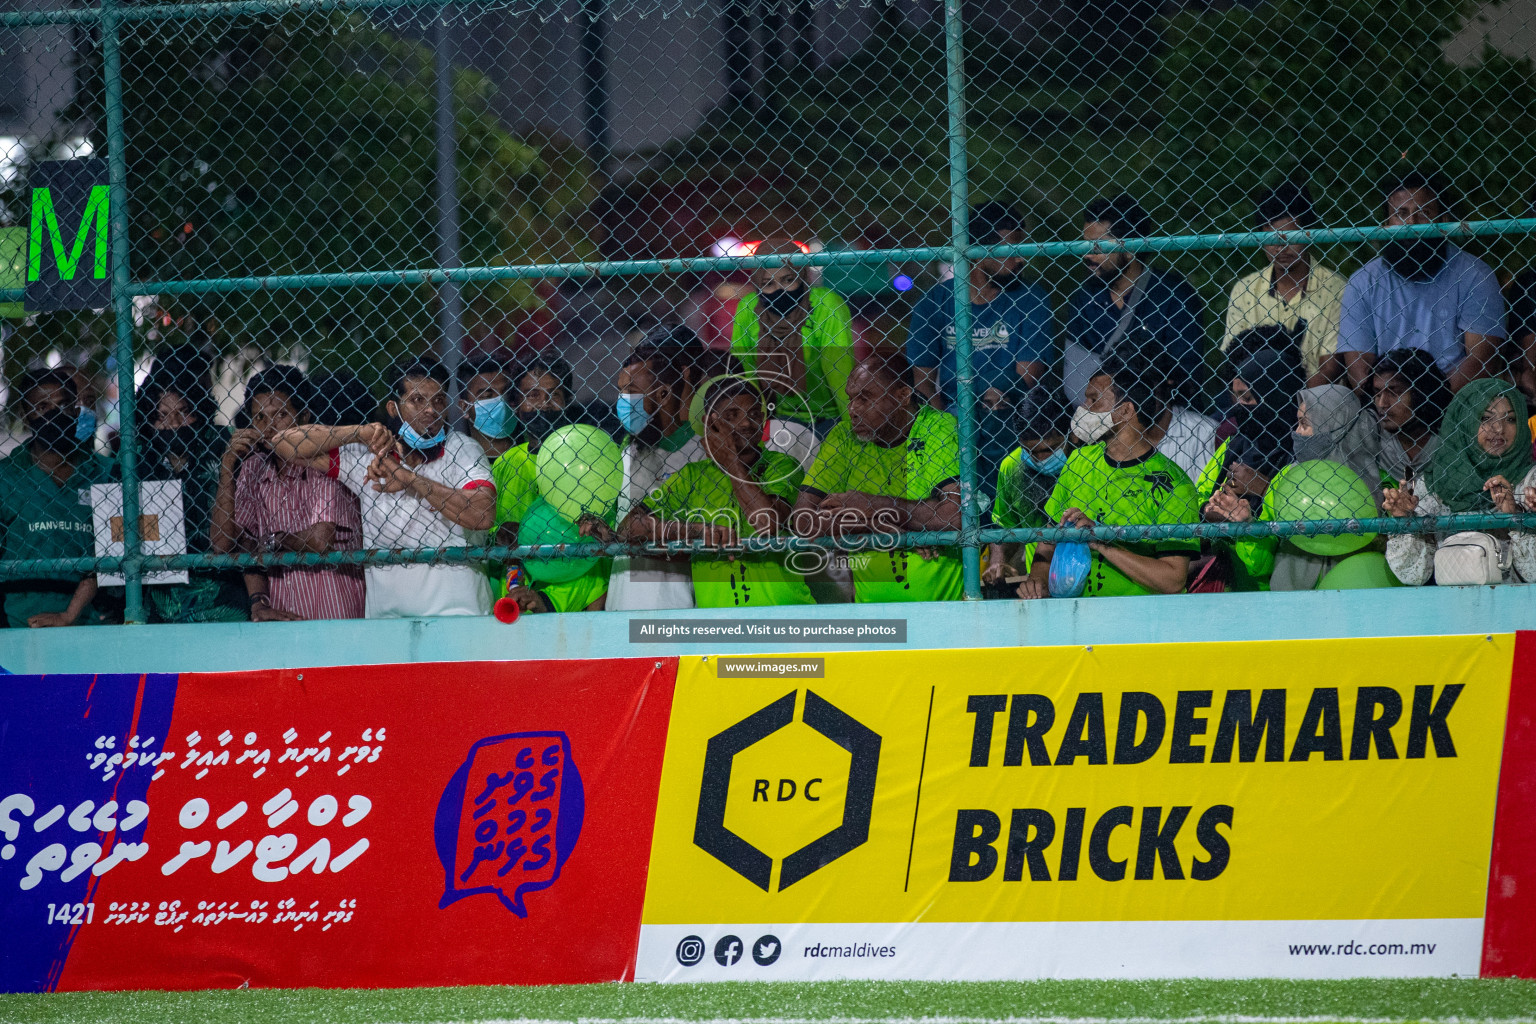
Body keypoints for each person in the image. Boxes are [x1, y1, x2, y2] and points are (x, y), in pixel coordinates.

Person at [270, 358, 496, 618]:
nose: (431, 411)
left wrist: (407, 478)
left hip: (460, 616)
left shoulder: (462, 449)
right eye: (417, 400)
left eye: (438, 401)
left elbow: (482, 514)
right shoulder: (370, 454)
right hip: (388, 623)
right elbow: (283, 443)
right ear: (393, 407)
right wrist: (359, 432)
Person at [613, 375, 814, 608]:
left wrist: (730, 461)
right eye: (732, 416)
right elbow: (628, 528)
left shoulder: (781, 465)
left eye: (755, 414)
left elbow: (766, 523)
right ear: (711, 423)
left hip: (785, 612)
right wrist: (696, 531)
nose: (748, 423)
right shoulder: (692, 475)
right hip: (719, 622)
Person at [1018, 355, 1201, 599]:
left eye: (1094, 400)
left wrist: (1101, 541)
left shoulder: (1173, 484)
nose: (1083, 408)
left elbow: (1173, 580)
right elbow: (1047, 543)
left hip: (1137, 626)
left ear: (1125, 411)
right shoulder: (1079, 462)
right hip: (1076, 621)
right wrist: (1037, 581)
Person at [791, 351, 964, 603]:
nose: (852, 410)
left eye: (865, 398)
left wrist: (869, 505)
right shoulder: (844, 436)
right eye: (850, 399)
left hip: (941, 613)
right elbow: (803, 522)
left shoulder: (937, 427)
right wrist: (878, 522)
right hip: (872, 616)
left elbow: (953, 515)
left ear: (902, 396)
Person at [906, 202, 1054, 491]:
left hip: (1008, 410)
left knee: (998, 417)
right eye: (1011, 250)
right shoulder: (935, 302)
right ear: (979, 251)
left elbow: (1027, 375)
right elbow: (923, 383)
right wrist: (945, 428)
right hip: (952, 413)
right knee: (947, 425)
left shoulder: (1031, 298)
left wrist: (989, 396)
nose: (1021, 259)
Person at [209, 365, 365, 621]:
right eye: (259, 418)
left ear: (304, 417)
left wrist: (269, 541)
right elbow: (223, 544)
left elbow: (318, 541)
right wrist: (228, 467)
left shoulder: (326, 463)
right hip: (282, 610)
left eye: (280, 414)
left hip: (334, 608)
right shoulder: (253, 467)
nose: (269, 426)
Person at [1337, 170, 1505, 394]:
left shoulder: (1475, 275)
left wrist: (1430, 406)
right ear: (1387, 223)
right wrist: (1393, 404)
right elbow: (1358, 370)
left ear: (1443, 220)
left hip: (1455, 403)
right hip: (1384, 405)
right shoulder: (1362, 281)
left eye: (1424, 213)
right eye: (1401, 213)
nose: (1412, 224)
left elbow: (1482, 362)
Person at [1384, 379, 1536, 585]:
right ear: (1463, 422)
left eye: (1510, 420)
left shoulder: (1530, 481)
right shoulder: (1435, 483)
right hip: (1451, 604)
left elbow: (1533, 573)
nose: (1498, 428)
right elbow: (1413, 575)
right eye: (1485, 418)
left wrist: (1516, 518)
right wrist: (1405, 520)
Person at [137, 346, 249, 624]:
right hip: (162, 606)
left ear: (199, 409)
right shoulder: (137, 463)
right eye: (161, 415)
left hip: (225, 598)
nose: (174, 423)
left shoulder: (225, 446)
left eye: (184, 411)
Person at [488, 357, 609, 613]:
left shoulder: (585, 459)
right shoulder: (507, 464)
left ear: (567, 401)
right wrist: (501, 533)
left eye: (554, 394)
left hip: (576, 581)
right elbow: (493, 531)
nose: (544, 403)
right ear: (515, 403)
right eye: (532, 395)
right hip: (515, 582)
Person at [1062, 195, 1206, 408]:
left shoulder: (1174, 296)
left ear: (1129, 249)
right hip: (1096, 419)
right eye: (1085, 245)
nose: (1087, 255)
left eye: (1098, 246)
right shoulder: (1084, 299)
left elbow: (1184, 377)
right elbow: (1074, 381)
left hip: (1164, 420)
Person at [603, 325, 708, 611]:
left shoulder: (704, 451)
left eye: (633, 390)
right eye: (621, 391)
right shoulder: (628, 450)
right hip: (621, 608)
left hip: (679, 607)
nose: (624, 401)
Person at [0, 369, 115, 627]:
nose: (54, 413)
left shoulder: (108, 473)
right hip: (21, 623)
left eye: (63, 405)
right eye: (42, 406)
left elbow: (115, 550)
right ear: (26, 415)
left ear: (76, 410)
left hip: (94, 624)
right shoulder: (6, 477)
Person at [1199, 349, 1307, 591]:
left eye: (1248, 398)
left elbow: (1305, 513)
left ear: (1274, 396)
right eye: (1236, 398)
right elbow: (1198, 495)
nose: (1239, 407)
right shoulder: (1235, 444)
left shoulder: (1302, 448)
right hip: (1231, 577)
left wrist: (1263, 488)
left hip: (1285, 578)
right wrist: (1210, 509)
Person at [1222, 182, 1348, 384]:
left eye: (1290, 236)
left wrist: (1293, 404)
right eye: (1271, 237)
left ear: (1309, 233)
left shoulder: (1337, 289)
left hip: (1316, 401)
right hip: (1253, 399)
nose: (1280, 247)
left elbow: (1330, 368)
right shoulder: (1245, 290)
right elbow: (1234, 362)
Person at [730, 239, 855, 435]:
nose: (779, 290)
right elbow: (746, 373)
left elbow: (839, 373)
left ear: (802, 275)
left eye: (788, 280)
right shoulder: (749, 308)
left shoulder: (825, 305)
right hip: (778, 418)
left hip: (831, 417)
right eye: (768, 283)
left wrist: (850, 429)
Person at [983, 386, 1070, 592]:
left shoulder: (1085, 463)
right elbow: (1005, 526)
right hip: (1039, 581)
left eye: (1049, 449)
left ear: (1069, 434)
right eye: (1029, 450)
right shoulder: (1012, 467)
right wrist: (998, 561)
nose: (1040, 459)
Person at [1373, 348, 1451, 489]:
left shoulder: (1450, 440)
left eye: (1393, 393)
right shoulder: (1372, 439)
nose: (1382, 404)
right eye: (1377, 394)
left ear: (1421, 393)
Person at [1292, 383, 1384, 502]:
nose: (1297, 432)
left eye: (1304, 424)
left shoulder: (1386, 483)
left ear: (1336, 427)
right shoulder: (1288, 475)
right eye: (1298, 424)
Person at [457, 357, 518, 463]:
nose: (501, 402)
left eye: (507, 393)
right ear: (464, 407)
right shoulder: (456, 462)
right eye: (487, 395)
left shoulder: (536, 452)